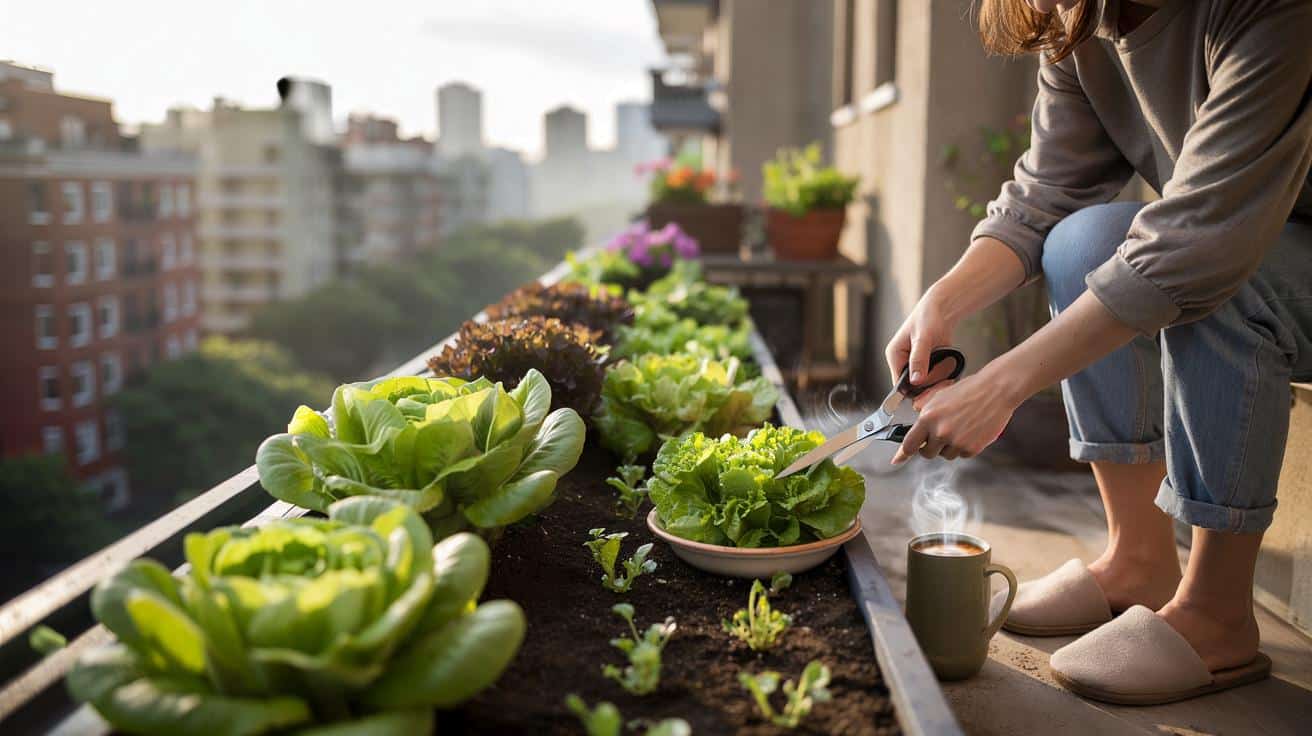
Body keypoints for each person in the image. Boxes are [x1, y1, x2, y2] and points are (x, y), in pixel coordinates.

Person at [886, 0, 1312, 704]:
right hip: (1235, 237)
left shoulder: (1266, 10)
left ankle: (1217, 612)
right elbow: (1048, 191)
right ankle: (1138, 559)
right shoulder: (1080, 18)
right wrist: (945, 299)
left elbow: (1204, 241)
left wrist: (1002, 385)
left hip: (1273, 250)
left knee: (1219, 275)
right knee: (1082, 242)